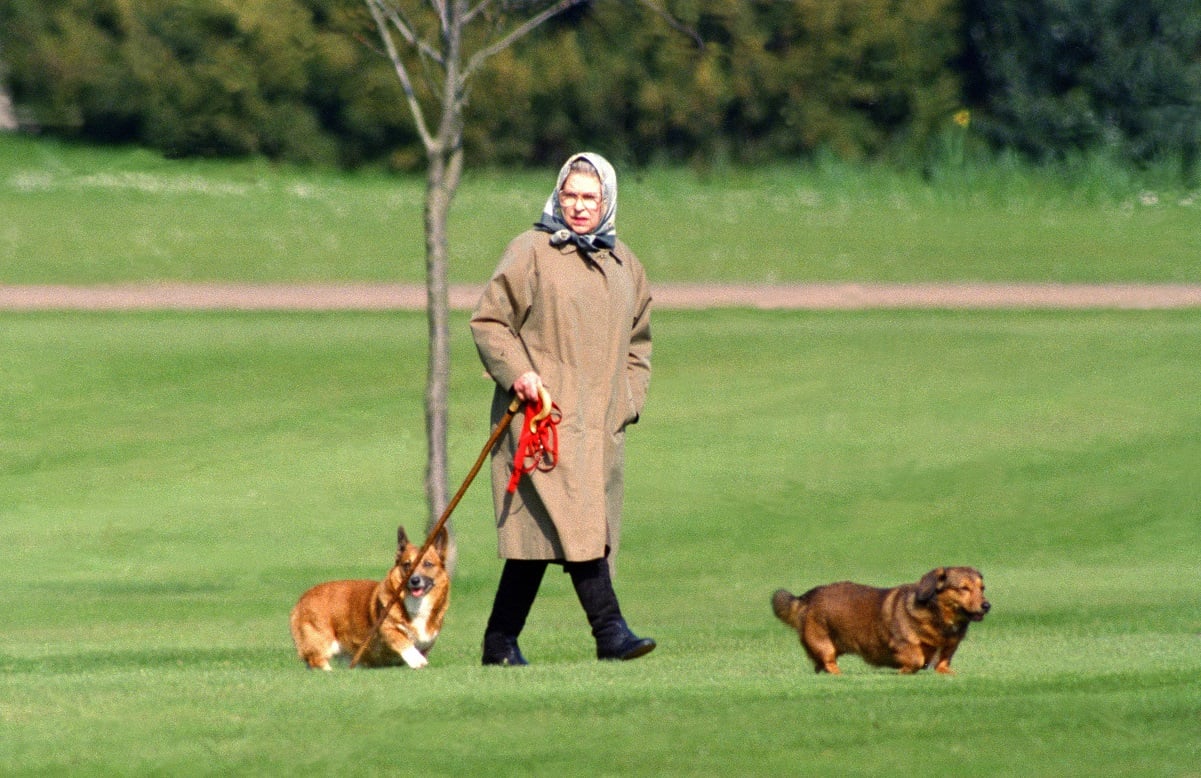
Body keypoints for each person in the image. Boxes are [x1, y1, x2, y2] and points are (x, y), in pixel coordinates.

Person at [470, 152, 655, 665]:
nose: (578, 206)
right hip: (539, 424)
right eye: (570, 195)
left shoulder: (626, 265)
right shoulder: (530, 251)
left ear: (607, 201)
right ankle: (610, 633)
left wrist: (629, 402)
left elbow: (639, 343)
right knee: (580, 526)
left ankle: (499, 642)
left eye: (589, 197)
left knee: (542, 540)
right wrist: (518, 374)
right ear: (557, 195)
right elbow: (489, 321)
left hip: (600, 428)